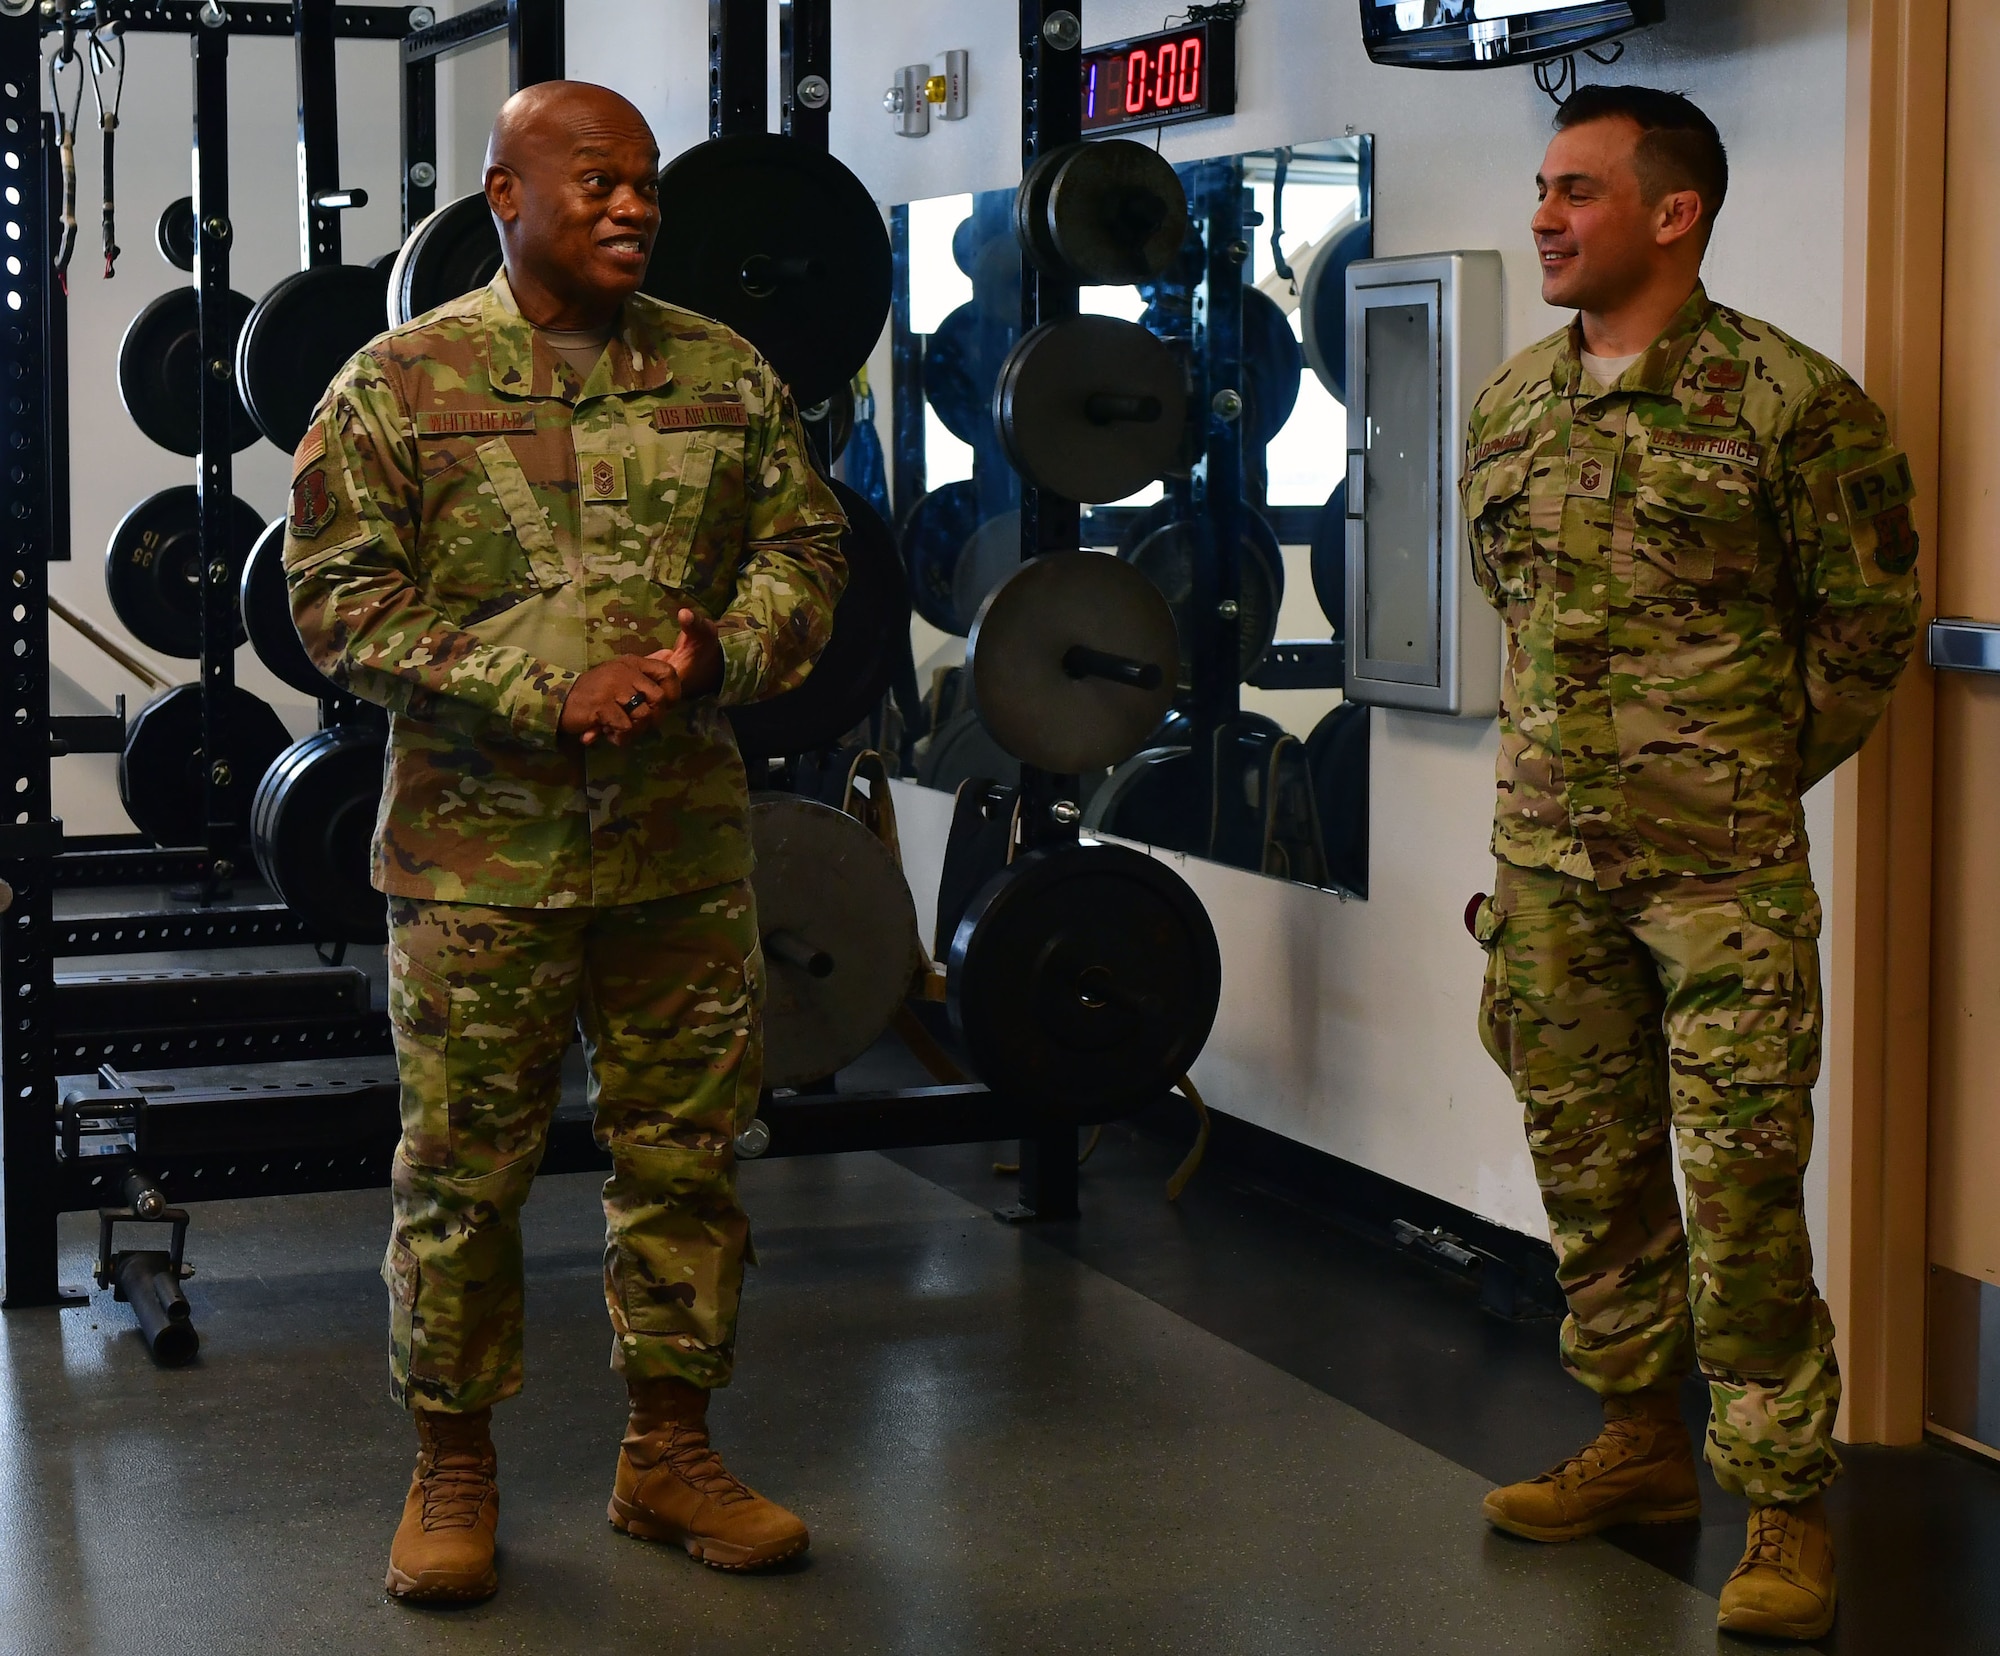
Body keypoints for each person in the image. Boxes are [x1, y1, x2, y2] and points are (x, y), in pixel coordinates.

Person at [284, 80, 848, 1603]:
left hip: (676, 852)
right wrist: (544, 687)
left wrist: (719, 654)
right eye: (597, 181)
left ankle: (669, 1454)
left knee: (687, 1161)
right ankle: (451, 1468)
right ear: (505, 199)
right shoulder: (400, 384)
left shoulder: (726, 374)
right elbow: (335, 598)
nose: (633, 207)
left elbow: (807, 551)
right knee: (463, 1175)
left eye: (647, 184)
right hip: (483, 864)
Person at [1460, 85, 1919, 1642]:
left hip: (1716, 880)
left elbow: (1865, 634)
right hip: (1543, 872)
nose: (1544, 216)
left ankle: (1785, 1506)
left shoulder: (1794, 404)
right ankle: (1641, 1450)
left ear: (1675, 214)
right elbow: (1511, 609)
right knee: (1591, 1180)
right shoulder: (1516, 404)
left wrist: (1730, 775)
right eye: (1542, 186)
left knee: (1738, 1194)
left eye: (1577, 190)